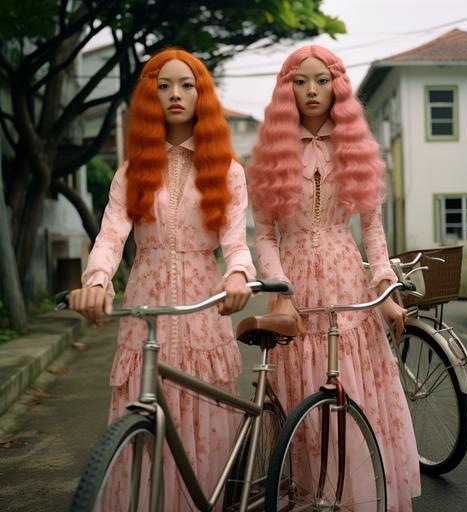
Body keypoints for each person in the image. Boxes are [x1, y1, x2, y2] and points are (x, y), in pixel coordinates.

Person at [70, 48, 256, 511]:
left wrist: (237, 275)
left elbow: (236, 242)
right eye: (165, 85)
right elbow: (112, 235)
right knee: (143, 416)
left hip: (201, 311)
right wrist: (97, 281)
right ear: (152, 96)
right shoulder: (133, 170)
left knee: (202, 427)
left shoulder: (228, 171)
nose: (175, 94)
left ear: (201, 95)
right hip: (145, 306)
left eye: (186, 85)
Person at [247, 45, 421, 511]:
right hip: (296, 289)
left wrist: (384, 289)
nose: (310, 91)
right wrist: (279, 286)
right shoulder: (268, 154)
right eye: (300, 81)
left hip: (347, 284)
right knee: (303, 395)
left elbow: (373, 230)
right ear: (287, 89)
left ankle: (359, 496)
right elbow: (263, 235)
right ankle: (310, 494)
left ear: (336, 86)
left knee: (353, 390)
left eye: (321, 80)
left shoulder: (357, 148)